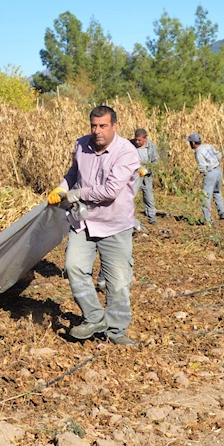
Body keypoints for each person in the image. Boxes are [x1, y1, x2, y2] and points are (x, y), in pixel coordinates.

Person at [47, 105, 140, 346]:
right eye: (94, 126)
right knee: (73, 267)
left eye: (103, 126)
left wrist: (75, 194)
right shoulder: (81, 145)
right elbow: (72, 174)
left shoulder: (126, 152)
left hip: (115, 224)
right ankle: (94, 317)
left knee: (117, 281)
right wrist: (62, 188)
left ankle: (116, 331)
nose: (97, 131)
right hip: (84, 222)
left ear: (114, 127)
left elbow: (109, 192)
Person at [187, 132, 224, 226]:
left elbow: (202, 168)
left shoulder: (198, 152)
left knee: (205, 197)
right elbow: (218, 155)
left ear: (193, 143)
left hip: (210, 173)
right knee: (217, 192)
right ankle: (222, 213)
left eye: (189, 143)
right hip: (218, 171)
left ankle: (208, 220)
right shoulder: (208, 146)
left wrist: (196, 180)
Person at [132, 128, 158, 226]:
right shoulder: (130, 144)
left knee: (148, 196)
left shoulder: (151, 147)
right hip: (134, 174)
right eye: (136, 139)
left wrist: (147, 170)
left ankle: (151, 216)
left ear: (145, 139)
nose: (137, 142)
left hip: (147, 175)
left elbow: (155, 162)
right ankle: (129, 216)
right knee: (131, 195)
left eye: (139, 140)